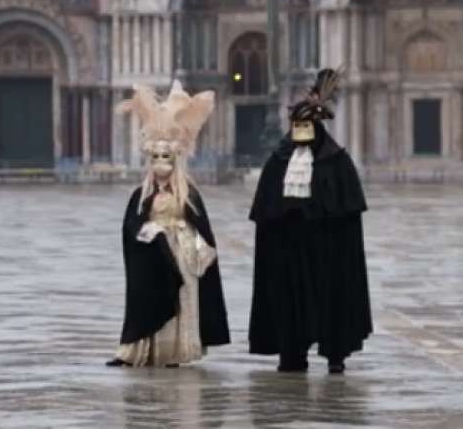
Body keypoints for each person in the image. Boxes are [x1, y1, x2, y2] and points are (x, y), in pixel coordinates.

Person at [249, 67, 372, 374]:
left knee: (332, 302)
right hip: (289, 256)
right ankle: (292, 354)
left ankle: (335, 355)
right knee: (291, 306)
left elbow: (347, 214)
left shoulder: (338, 162)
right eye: (298, 125)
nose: (303, 131)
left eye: (308, 125)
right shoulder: (277, 161)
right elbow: (266, 210)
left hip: (328, 254)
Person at [107, 81, 229, 368]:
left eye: (167, 157)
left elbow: (200, 225)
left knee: (182, 299)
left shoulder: (188, 192)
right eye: (156, 157)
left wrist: (195, 243)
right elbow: (132, 226)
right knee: (145, 299)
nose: (162, 163)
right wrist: (150, 233)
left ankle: (173, 353)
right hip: (152, 254)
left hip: (182, 252)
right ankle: (139, 350)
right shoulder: (142, 194)